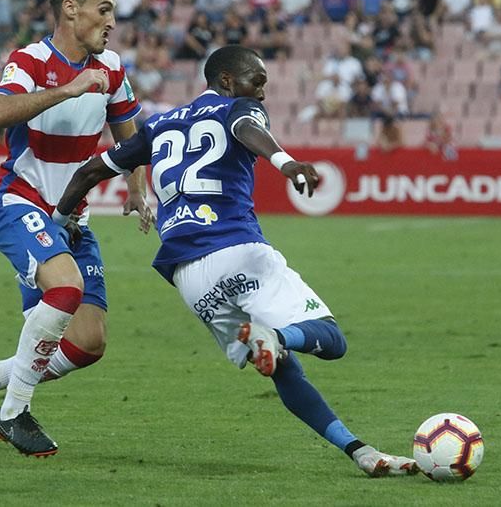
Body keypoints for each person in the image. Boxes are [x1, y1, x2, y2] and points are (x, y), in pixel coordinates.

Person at [48, 45, 418, 477]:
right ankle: (274, 335)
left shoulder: (158, 125)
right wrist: (285, 160)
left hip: (189, 277)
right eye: (256, 81)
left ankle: (361, 452)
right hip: (236, 250)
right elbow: (245, 126)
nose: (261, 93)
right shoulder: (237, 108)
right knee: (331, 340)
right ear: (227, 81)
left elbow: (90, 172)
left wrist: (58, 223)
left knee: (279, 365)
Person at [0, 0, 150, 456]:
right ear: (70, 9)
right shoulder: (30, 60)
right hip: (23, 203)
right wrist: (68, 88)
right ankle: (14, 413)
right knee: (65, 288)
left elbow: (131, 137)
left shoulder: (114, 68)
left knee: (87, 343)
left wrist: (138, 187)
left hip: (74, 218)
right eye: (104, 10)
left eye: (114, 13)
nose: (111, 22)